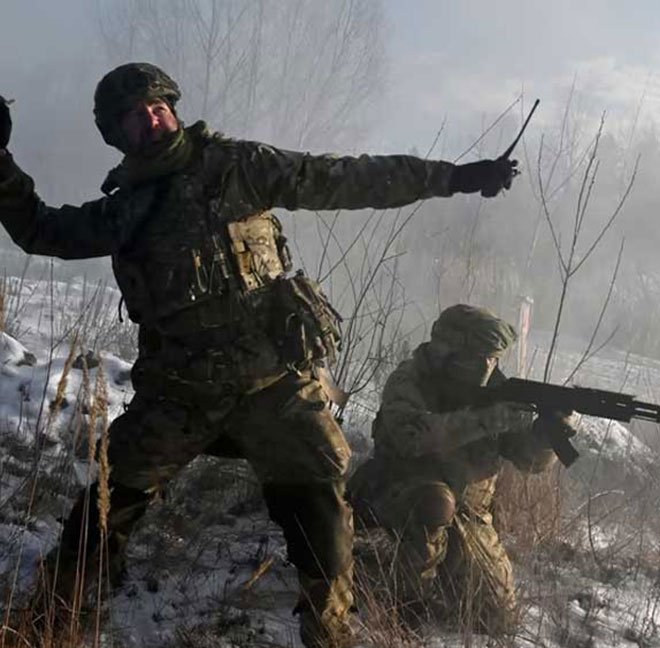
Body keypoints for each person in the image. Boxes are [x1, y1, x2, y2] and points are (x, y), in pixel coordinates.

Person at [0, 63, 517, 647]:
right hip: (182, 391)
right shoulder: (126, 208)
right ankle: (48, 618)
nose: (152, 120)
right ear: (118, 135)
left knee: (321, 508)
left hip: (274, 384)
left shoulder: (236, 167)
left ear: (171, 106)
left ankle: (328, 632)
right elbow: (42, 231)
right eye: (135, 117)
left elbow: (344, 179)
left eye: (157, 108)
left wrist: (452, 177)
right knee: (108, 499)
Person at [347, 304, 575, 634]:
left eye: (493, 358)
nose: (486, 366)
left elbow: (529, 461)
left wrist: (546, 438)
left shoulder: (500, 391)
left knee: (496, 618)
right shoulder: (410, 379)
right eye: (477, 356)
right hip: (398, 489)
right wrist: (485, 420)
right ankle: (405, 608)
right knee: (434, 503)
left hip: (469, 511)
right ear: (446, 352)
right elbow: (412, 437)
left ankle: (422, 566)